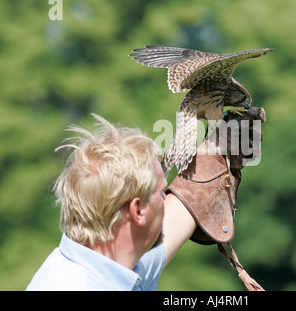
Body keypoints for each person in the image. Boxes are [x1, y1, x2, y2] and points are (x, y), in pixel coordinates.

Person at [26, 114, 197, 290]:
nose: (165, 199)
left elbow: (183, 208)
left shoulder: (104, 265)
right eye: (161, 192)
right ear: (138, 210)